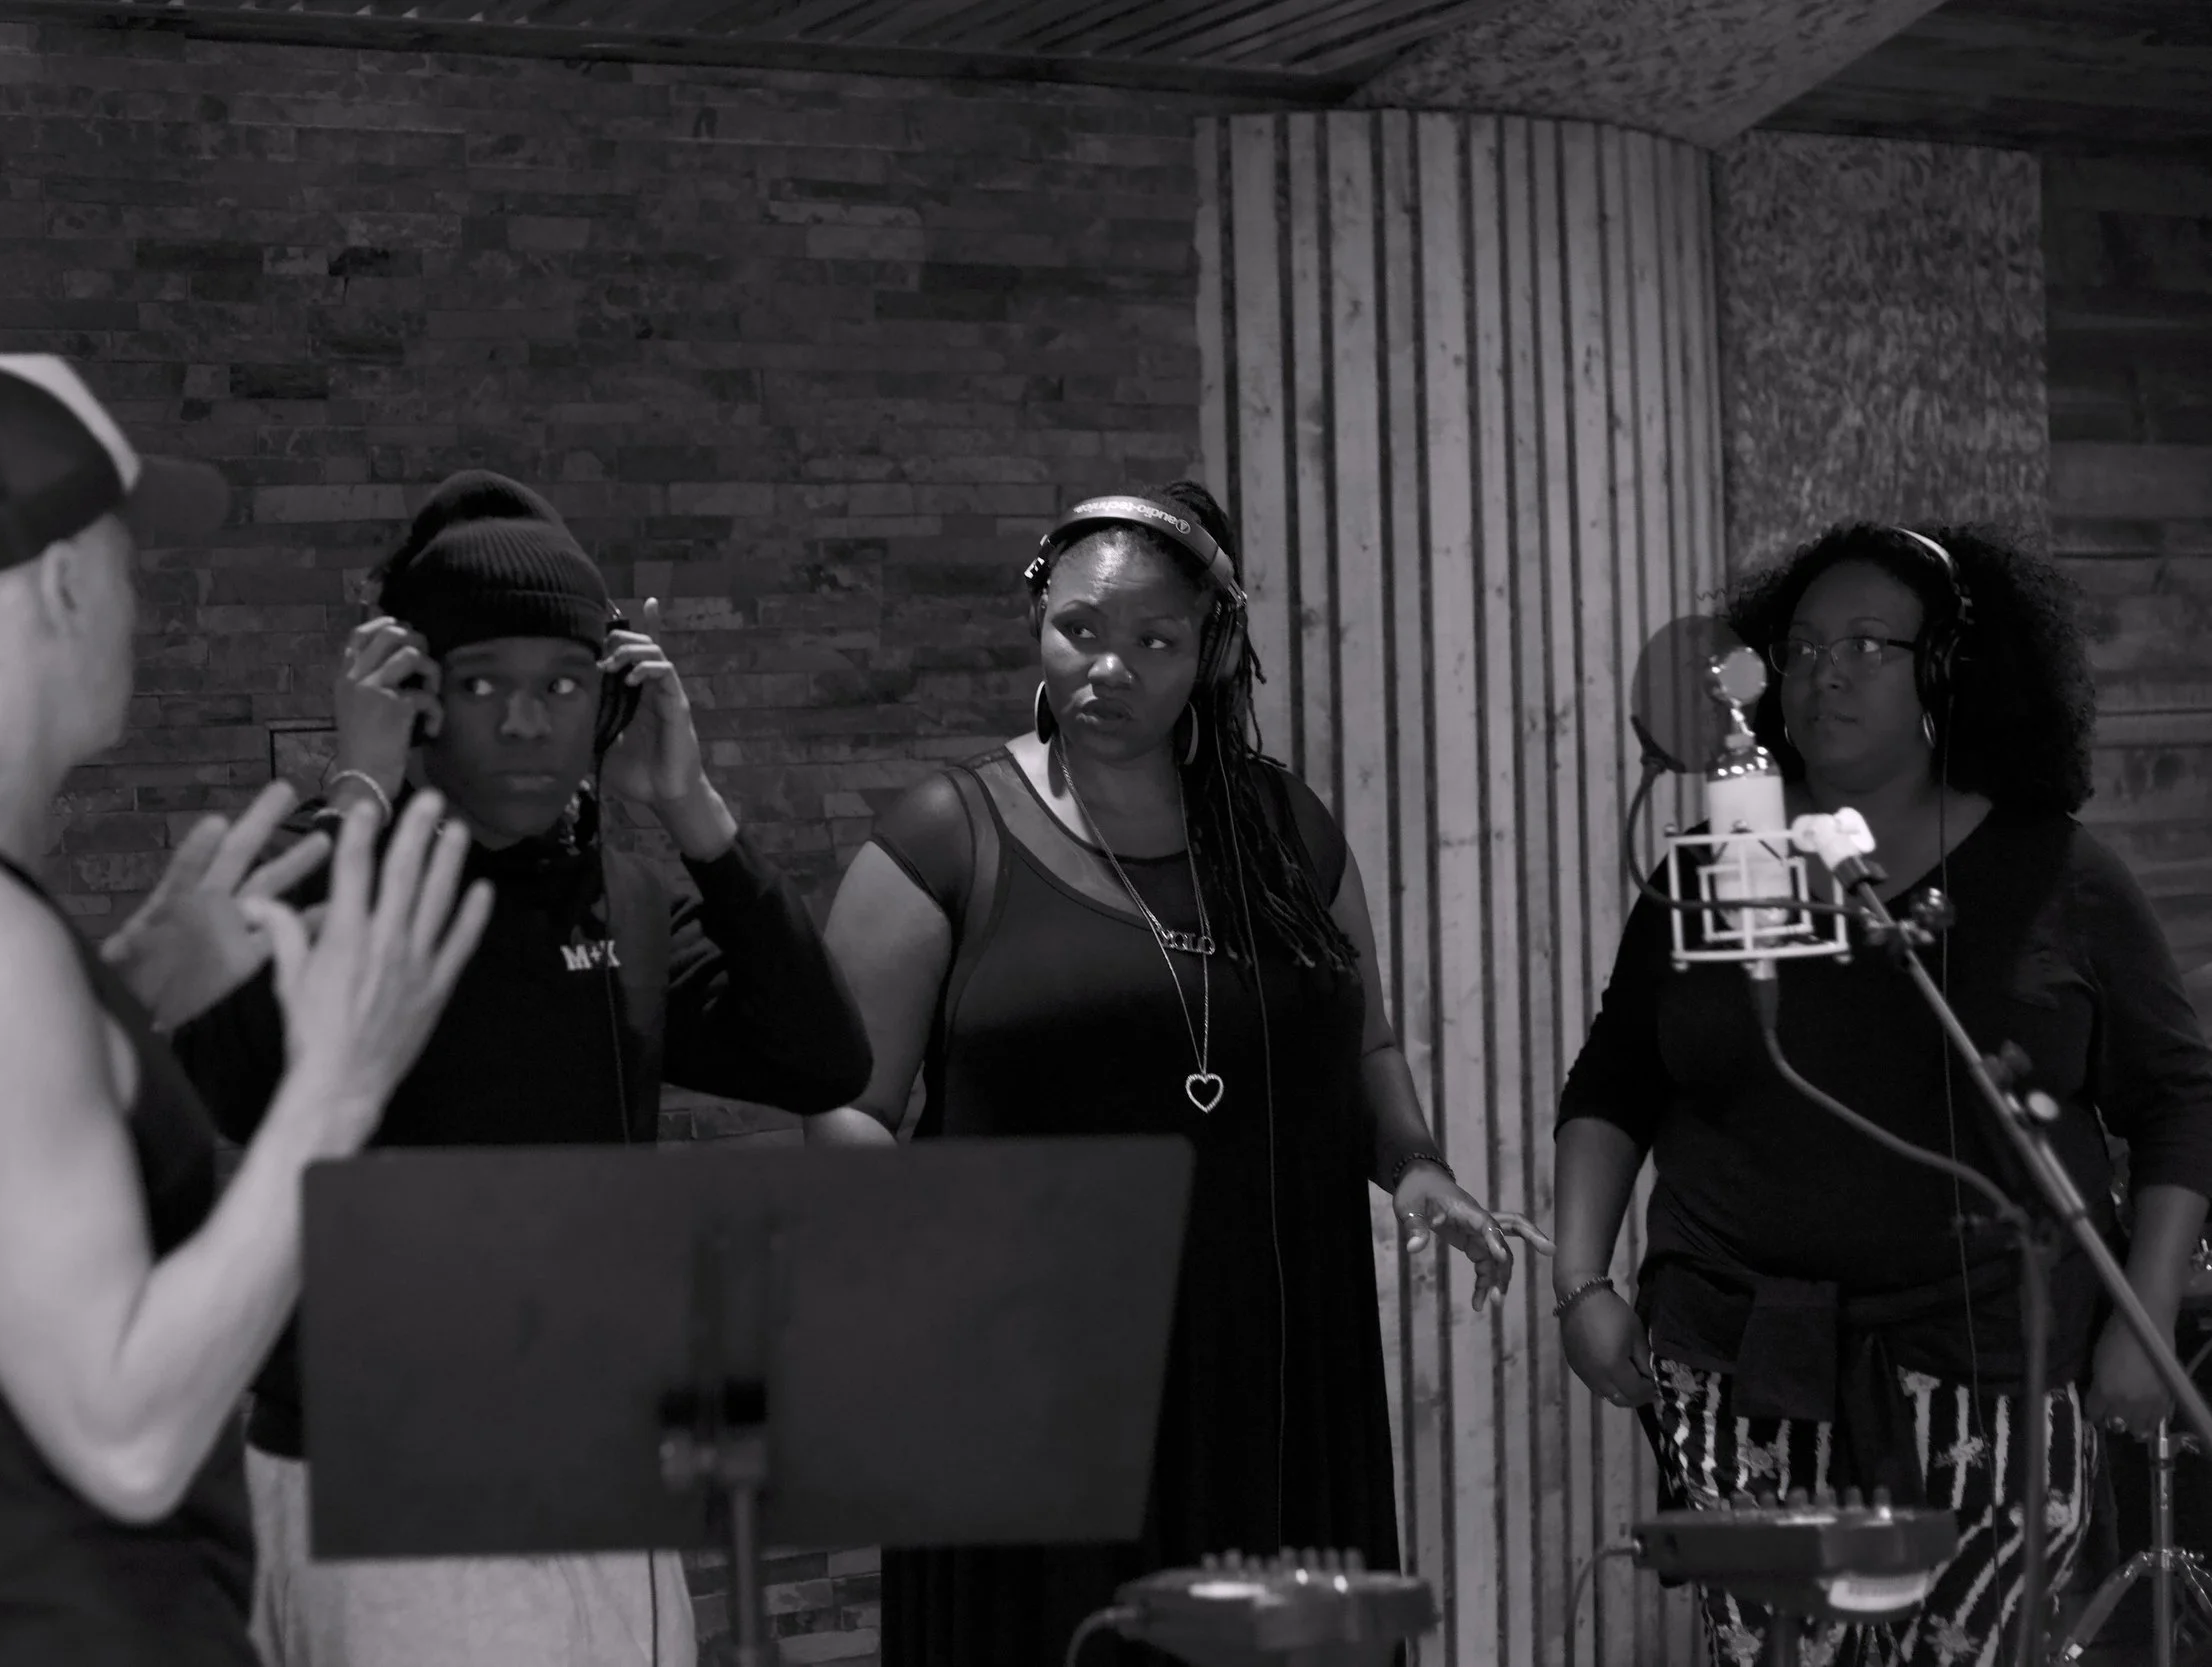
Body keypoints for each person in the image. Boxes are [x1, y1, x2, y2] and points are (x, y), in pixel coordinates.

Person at [0, 353, 491, 1667]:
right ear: (63, 582)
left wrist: (122, 992)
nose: (138, 608)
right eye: (131, 567)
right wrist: (337, 1084)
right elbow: (126, 1436)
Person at [807, 480, 1552, 1667]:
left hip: (1271, 1360)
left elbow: (1361, 1041)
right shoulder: (946, 835)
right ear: (1038, 620)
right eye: (1079, 629)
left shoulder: (1285, 831)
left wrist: (1416, 1165)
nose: (1108, 667)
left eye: (1154, 640)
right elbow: (847, 1103)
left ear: (1211, 648)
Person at [169, 469, 874, 1667]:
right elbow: (217, 1077)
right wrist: (358, 794)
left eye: (564, 684)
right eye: (483, 682)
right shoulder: (327, 866)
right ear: (415, 695)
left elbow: (821, 1057)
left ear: (608, 702)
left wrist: (694, 809)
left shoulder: (625, 898)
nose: (528, 720)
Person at [1552, 522, 2212, 1666]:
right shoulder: (1717, 870)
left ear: (1948, 672)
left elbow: (2177, 1100)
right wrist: (1578, 1280)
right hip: (1742, 1373)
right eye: (1801, 648)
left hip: (1989, 1381)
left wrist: (2147, 1317)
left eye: (1865, 643)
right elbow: (1614, 1078)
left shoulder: (2056, 871)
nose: (1824, 673)